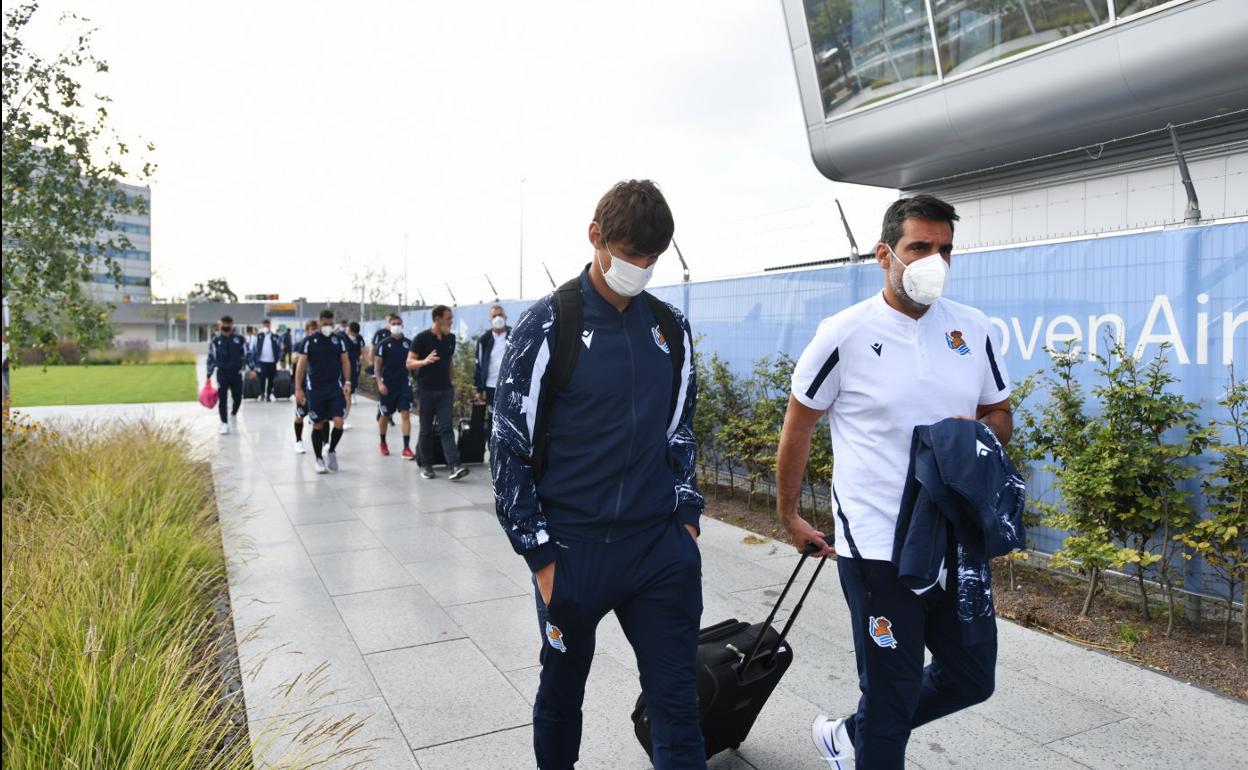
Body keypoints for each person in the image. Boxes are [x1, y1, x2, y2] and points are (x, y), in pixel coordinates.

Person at [776, 195, 1013, 768]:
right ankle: (869, 736)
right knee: (889, 695)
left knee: (971, 678)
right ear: (885, 255)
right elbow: (798, 424)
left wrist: (977, 432)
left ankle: (850, 736)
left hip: (957, 542)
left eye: (945, 249)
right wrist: (788, 513)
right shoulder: (844, 333)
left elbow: (1000, 414)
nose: (936, 260)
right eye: (920, 248)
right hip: (877, 544)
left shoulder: (972, 328)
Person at [491, 180, 705, 769]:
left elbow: (681, 432)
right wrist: (542, 558)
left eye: (652, 258)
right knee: (562, 697)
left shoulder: (671, 329)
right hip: (573, 549)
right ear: (596, 238)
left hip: (658, 550)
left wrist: (685, 524)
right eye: (631, 253)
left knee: (678, 706)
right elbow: (507, 449)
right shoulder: (545, 327)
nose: (641, 267)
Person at [410, 305, 469, 481]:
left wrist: (452, 383)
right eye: (448, 318)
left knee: (446, 428)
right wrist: (424, 361)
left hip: (445, 391)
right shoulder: (421, 338)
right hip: (426, 390)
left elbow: (449, 361)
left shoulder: (450, 338)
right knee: (426, 429)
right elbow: (409, 363)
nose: (451, 321)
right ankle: (426, 465)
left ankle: (454, 465)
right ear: (437, 319)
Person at [295, 310, 352, 474]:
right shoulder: (309, 341)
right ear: (319, 323)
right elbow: (301, 365)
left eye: (330, 324)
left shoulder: (338, 340)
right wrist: (298, 388)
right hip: (315, 390)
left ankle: (332, 450)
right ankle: (318, 458)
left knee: (339, 421)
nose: (327, 326)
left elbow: (345, 360)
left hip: (335, 387)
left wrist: (347, 382)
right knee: (318, 424)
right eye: (324, 323)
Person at [374, 317, 416, 458]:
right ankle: (383, 442)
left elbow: (413, 364)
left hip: (404, 384)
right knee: (385, 415)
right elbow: (377, 366)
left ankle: (406, 447)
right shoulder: (383, 344)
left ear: (402, 325)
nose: (396, 326)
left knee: (405, 413)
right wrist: (380, 383)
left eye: (398, 324)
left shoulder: (409, 344)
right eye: (393, 324)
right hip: (388, 385)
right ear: (389, 326)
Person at [206, 314, 253, 435]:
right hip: (222, 374)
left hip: (236, 374)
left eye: (228, 324)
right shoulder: (216, 341)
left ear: (232, 325)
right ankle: (224, 423)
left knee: (237, 398)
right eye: (224, 324)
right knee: (223, 399)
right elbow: (211, 357)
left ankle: (233, 413)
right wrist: (209, 373)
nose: (226, 326)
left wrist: (252, 368)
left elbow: (247, 354)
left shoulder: (239, 339)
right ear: (220, 325)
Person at [474, 304, 511, 408]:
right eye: (494, 316)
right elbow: (478, 365)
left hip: (510, 386)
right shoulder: (484, 340)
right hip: (491, 386)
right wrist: (479, 390)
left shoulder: (514, 336)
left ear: (505, 317)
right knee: (492, 419)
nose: (498, 318)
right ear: (490, 320)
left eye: (500, 315)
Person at [290, 319, 319, 454]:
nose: (314, 330)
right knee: (300, 414)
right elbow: (294, 357)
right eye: (311, 328)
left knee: (321, 417)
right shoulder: (300, 344)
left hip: (318, 386)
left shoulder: (323, 345)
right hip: (303, 385)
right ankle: (298, 441)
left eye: (316, 328)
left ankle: (325, 443)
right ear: (307, 330)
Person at [253, 319, 283, 401]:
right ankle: (262, 393)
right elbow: (254, 349)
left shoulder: (275, 337)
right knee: (262, 379)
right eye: (264, 325)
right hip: (262, 361)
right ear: (262, 326)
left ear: (270, 325)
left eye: (267, 325)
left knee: (271, 379)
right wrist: (255, 362)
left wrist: (279, 358)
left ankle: (268, 395)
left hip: (272, 361)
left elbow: (280, 348)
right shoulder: (259, 336)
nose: (266, 327)